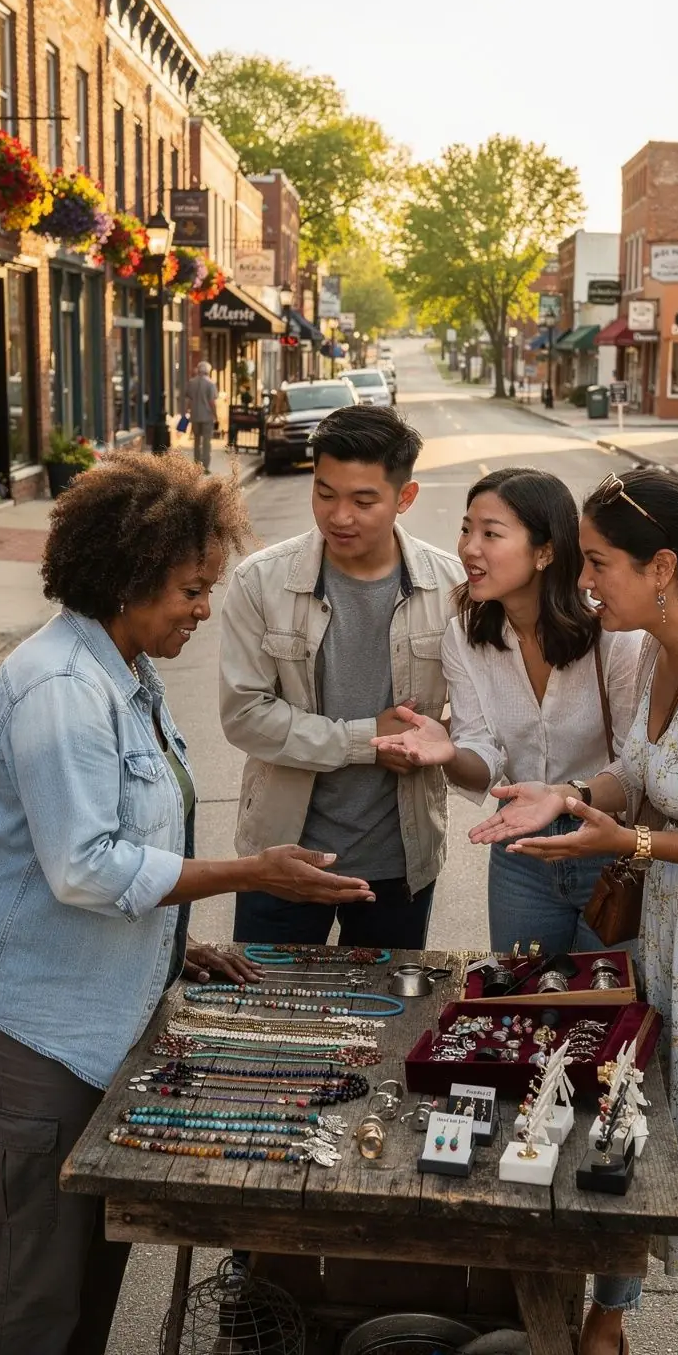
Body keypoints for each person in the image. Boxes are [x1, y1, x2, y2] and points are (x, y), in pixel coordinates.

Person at [0, 451, 374, 1355]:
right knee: (37, 1296)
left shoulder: (125, 672)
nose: (203, 609)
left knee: (89, 1273)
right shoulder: (63, 689)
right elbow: (87, 868)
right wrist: (253, 873)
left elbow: (119, 851)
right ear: (130, 577)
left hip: (89, 1019)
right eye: (190, 589)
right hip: (26, 1032)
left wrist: (172, 944)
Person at [470, 469, 678, 1355]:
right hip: (672, 959)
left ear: (663, 565)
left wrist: (628, 846)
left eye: (597, 563)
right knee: (670, 1179)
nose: (584, 581)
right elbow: (636, 777)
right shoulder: (653, 648)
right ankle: (609, 1320)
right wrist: (568, 799)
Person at [219, 404, 463, 951]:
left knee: (385, 1029)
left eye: (363, 500)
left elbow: (477, 718)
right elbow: (245, 716)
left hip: (399, 861)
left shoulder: (452, 590)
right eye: (325, 493)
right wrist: (365, 742)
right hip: (283, 856)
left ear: (405, 497)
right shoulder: (262, 582)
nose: (339, 516)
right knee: (268, 1023)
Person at [373, 468, 640, 954]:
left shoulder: (616, 638)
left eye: (491, 534)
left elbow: (637, 768)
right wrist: (448, 752)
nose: (469, 548)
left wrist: (566, 798)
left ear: (545, 552)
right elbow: (483, 755)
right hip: (520, 852)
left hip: (607, 845)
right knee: (521, 1004)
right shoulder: (464, 636)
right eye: (466, 529)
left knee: (608, 1008)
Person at [185, 359, 218, 472]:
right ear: (208, 371)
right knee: (206, 442)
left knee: (196, 441)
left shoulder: (191, 382)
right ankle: (205, 467)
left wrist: (188, 411)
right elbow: (212, 402)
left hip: (195, 416)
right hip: (207, 416)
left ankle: (196, 465)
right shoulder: (210, 383)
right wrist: (215, 415)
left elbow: (189, 399)